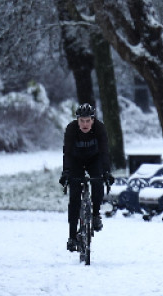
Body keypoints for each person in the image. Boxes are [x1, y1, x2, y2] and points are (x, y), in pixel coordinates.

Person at [59, 103, 114, 252]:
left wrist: (107, 172)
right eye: (81, 121)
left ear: (93, 120)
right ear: (77, 120)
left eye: (87, 121)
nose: (85, 124)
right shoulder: (71, 129)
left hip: (94, 159)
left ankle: (96, 214)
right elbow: (67, 153)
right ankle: (72, 236)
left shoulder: (100, 128)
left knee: (98, 182)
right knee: (74, 197)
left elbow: (104, 152)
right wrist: (66, 172)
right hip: (76, 161)